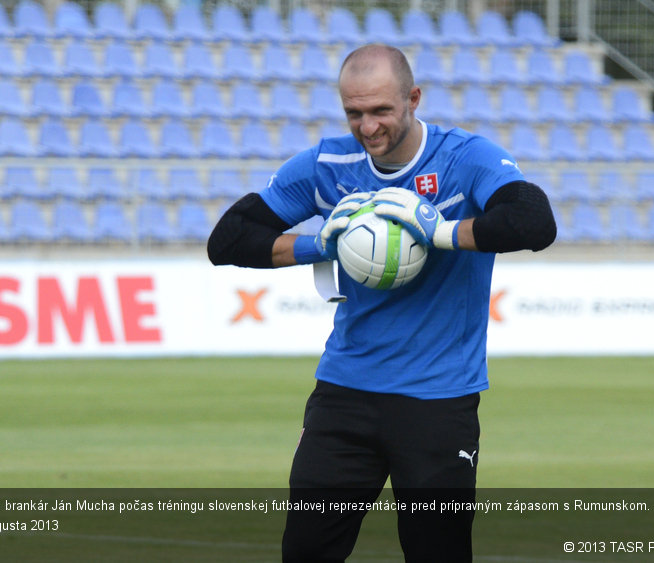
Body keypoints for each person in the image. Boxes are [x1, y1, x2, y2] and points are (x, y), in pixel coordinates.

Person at [207, 44, 556, 562]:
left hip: (438, 401)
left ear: (413, 98)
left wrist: (441, 232)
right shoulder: (328, 165)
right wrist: (319, 243)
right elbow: (228, 240)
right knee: (304, 552)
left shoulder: (466, 159)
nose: (367, 128)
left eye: (380, 111)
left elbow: (534, 223)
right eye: (354, 114)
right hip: (344, 395)